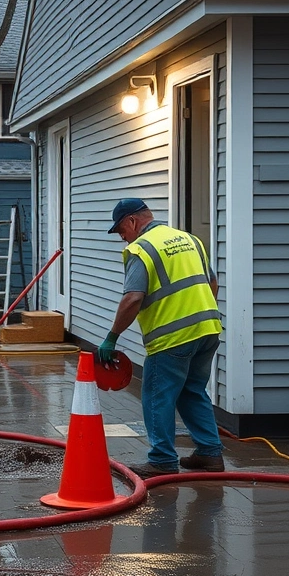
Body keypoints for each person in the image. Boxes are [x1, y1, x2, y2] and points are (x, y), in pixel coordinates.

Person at [98, 198, 225, 479]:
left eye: (121, 230)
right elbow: (212, 282)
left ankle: (163, 460)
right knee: (192, 391)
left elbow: (133, 298)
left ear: (132, 221)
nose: (122, 238)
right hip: (208, 329)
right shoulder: (189, 239)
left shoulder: (141, 249)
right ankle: (210, 452)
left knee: (157, 396)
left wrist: (111, 337)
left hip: (172, 337)